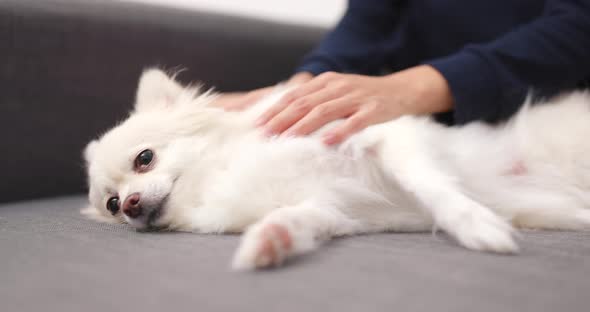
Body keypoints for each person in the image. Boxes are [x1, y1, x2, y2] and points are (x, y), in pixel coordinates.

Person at [213, 0, 590, 145]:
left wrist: (406, 89)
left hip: (555, 121)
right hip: (432, 122)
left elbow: (578, 27)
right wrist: (300, 89)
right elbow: (369, 19)